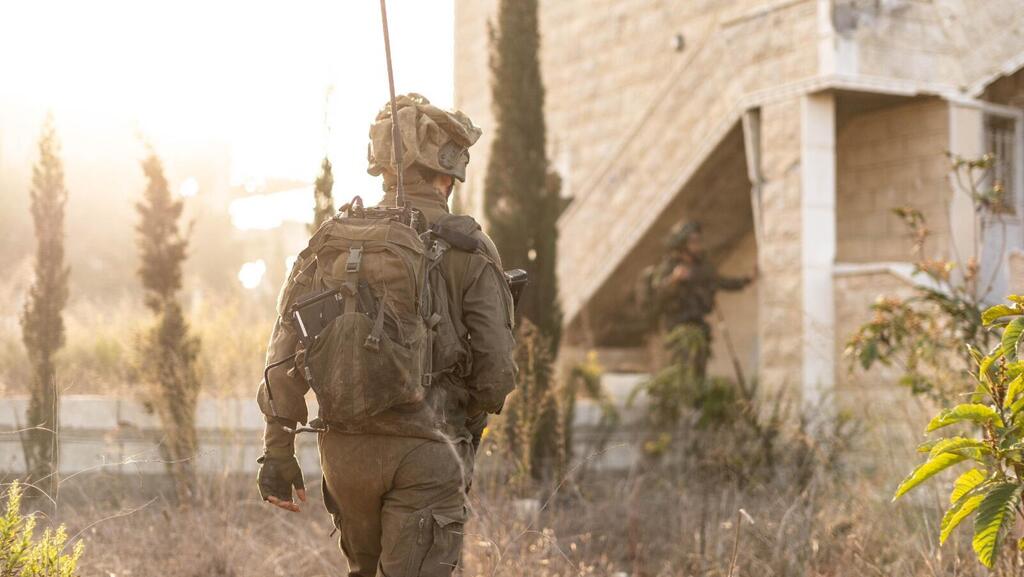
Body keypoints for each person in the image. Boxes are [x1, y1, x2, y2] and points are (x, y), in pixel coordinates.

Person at [255, 94, 518, 577]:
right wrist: (467, 413)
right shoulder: (469, 246)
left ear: (384, 167)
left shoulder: (334, 240)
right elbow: (497, 374)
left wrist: (278, 451)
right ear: (448, 174)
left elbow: (282, 353)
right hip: (426, 453)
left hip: (343, 456)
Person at [646, 221, 752, 382]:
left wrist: (747, 280)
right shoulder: (669, 267)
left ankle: (696, 400)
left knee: (698, 368)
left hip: (698, 325)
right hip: (677, 326)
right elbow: (657, 295)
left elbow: (721, 281)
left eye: (698, 241)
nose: (698, 245)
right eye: (693, 242)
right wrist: (673, 280)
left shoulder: (701, 267)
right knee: (680, 368)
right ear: (683, 245)